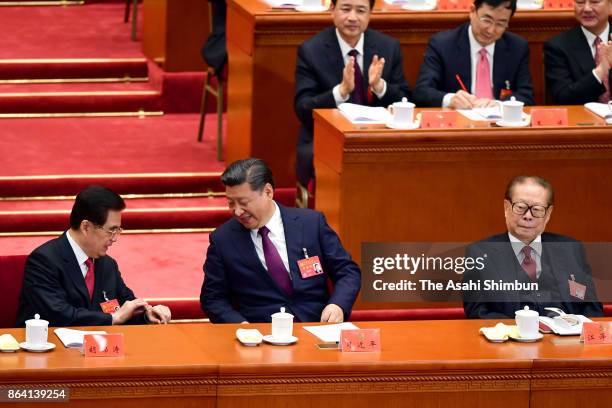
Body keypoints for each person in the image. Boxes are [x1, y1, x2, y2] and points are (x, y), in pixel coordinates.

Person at [201, 158, 361, 323]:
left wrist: (337, 305)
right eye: (230, 204)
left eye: (243, 203)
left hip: (315, 327)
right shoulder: (223, 240)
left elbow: (347, 271)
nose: (238, 211)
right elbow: (212, 298)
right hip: (259, 336)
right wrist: (241, 326)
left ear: (268, 192)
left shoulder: (311, 224)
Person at [294, 0, 411, 190]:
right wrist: (340, 91)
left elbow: (405, 99)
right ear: (332, 10)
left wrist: (380, 86)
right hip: (328, 139)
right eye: (346, 9)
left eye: (361, 10)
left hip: (378, 139)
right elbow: (303, 108)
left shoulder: (388, 47)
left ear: (370, 13)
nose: (352, 17)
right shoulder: (311, 50)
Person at [16, 186, 171, 327]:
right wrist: (112, 318)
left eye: (118, 230)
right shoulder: (44, 260)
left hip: (97, 351)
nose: (115, 238)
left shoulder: (107, 265)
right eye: (111, 230)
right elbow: (59, 313)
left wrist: (147, 314)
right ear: (86, 227)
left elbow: (126, 306)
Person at [462, 176, 603, 319]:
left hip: (568, 338)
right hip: (512, 338)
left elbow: (591, 307)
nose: (528, 216)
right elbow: (478, 314)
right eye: (521, 207)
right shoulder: (479, 253)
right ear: (506, 208)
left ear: (548, 214)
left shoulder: (571, 249)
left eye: (537, 209)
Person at [413, 0, 534, 108]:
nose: (491, 30)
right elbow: (422, 92)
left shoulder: (517, 47)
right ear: (472, 11)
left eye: (500, 24)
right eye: (487, 20)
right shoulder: (442, 44)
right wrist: (451, 99)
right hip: (457, 125)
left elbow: (526, 96)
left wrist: (499, 104)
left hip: (499, 125)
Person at [544, 0, 612, 104]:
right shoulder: (557, 46)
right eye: (580, 2)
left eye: (594, 2)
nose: (587, 9)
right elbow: (563, 98)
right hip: (581, 118)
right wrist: (601, 71)